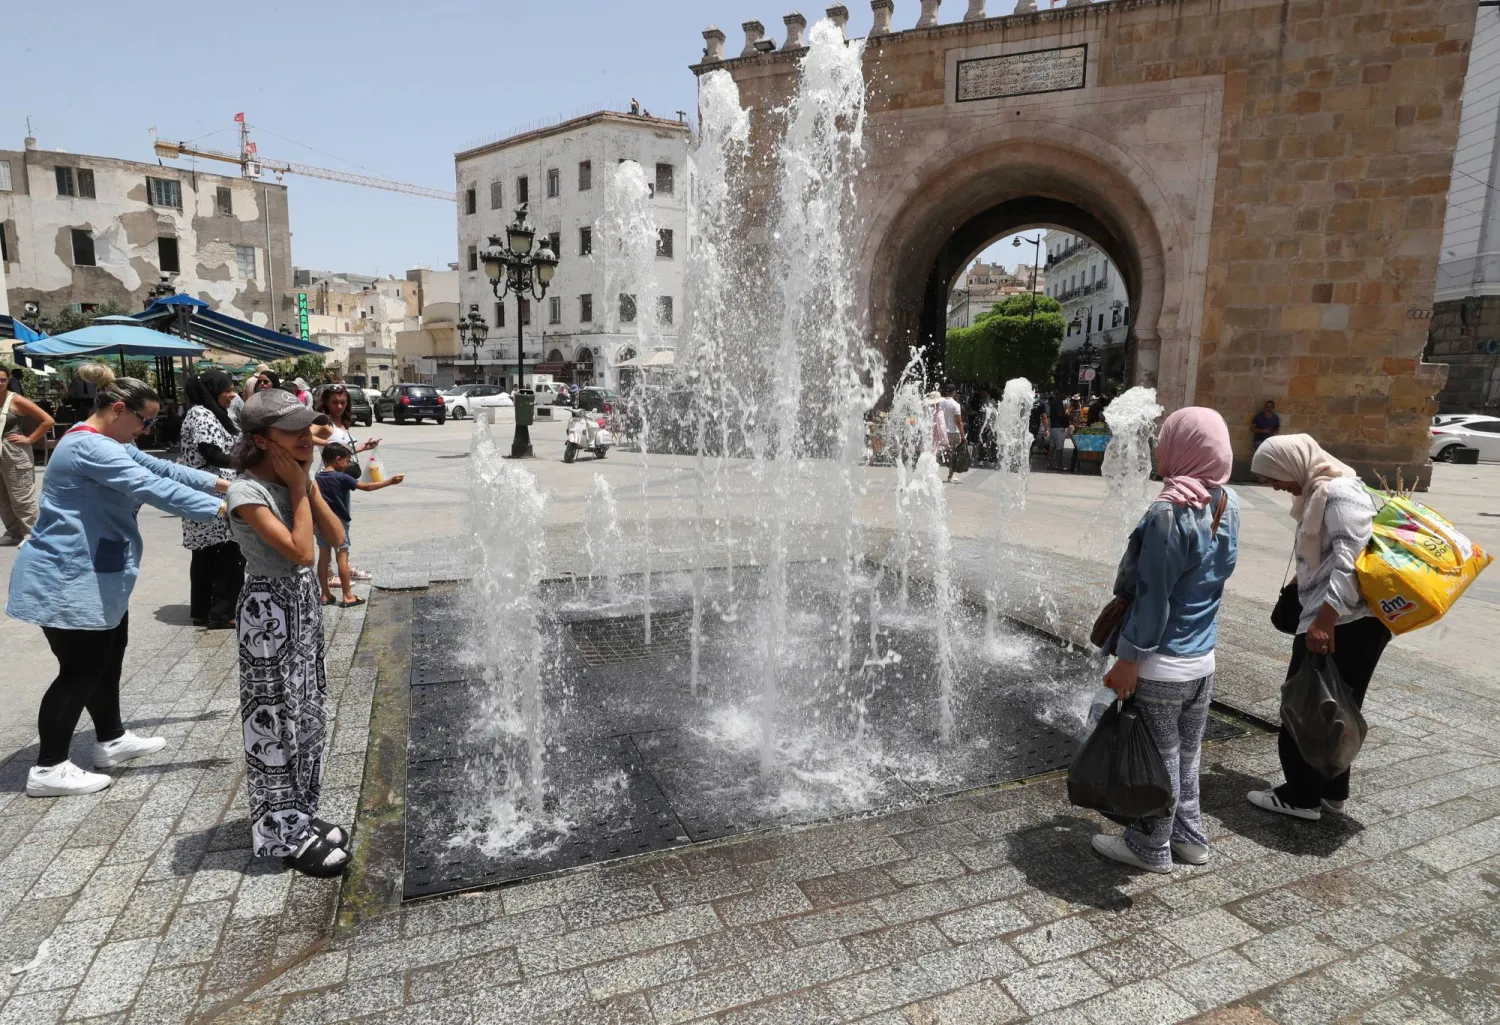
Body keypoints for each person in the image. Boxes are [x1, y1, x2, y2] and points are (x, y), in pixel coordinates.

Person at [8, 378, 228, 797]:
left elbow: (162, 468)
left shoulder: (110, 442)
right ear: (117, 410)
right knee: (81, 669)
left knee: (108, 659)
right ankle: (49, 767)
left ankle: (110, 738)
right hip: (69, 575)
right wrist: (228, 509)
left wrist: (223, 486)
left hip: (101, 569)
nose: (146, 430)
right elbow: (151, 487)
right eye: (143, 421)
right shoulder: (89, 446)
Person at [1093, 407, 1239, 873]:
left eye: (1166, 438)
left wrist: (1129, 660)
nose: (1159, 445)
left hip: (1161, 662)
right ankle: (1191, 839)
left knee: (1159, 757)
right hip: (1202, 660)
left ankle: (1149, 846)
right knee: (1186, 754)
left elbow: (1154, 599)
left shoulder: (1169, 511)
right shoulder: (1225, 502)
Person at [225, 389, 351, 876]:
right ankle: (282, 833)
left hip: (300, 607)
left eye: (308, 427)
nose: (306, 436)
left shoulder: (299, 479)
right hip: (268, 613)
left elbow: (335, 538)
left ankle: (300, 813)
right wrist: (299, 490)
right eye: (292, 430)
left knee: (308, 714)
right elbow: (301, 552)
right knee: (274, 721)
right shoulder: (247, 493)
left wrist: (308, 487)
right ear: (260, 439)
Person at [1247, 435, 1389, 821]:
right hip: (1351, 620)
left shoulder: (1339, 492)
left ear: (1293, 463)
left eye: (1273, 476)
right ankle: (1331, 791)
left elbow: (1350, 558)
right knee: (1337, 707)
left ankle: (1301, 796)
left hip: (1344, 620)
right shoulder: (1323, 490)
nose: (1275, 485)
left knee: (1304, 706)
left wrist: (1324, 620)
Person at [179, 372, 245, 628]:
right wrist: (244, 463)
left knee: (207, 553)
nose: (232, 394)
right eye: (227, 390)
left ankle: (203, 611)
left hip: (206, 491)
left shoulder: (207, 412)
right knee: (228, 552)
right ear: (211, 390)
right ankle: (223, 612)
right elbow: (211, 452)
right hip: (212, 492)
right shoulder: (202, 414)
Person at [316, 443, 403, 607]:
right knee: (342, 555)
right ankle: (348, 596)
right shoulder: (342, 477)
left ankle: (325, 595)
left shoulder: (318, 478)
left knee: (323, 557)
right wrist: (390, 481)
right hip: (338, 523)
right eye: (347, 461)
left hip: (321, 521)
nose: (348, 465)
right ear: (338, 459)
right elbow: (367, 487)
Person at [313, 385, 382, 583]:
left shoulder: (341, 422)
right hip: (327, 482)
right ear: (326, 402)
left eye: (343, 402)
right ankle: (328, 574)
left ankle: (345, 566)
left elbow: (343, 453)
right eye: (335, 402)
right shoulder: (325, 422)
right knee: (329, 528)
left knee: (343, 524)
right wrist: (329, 445)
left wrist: (363, 447)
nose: (340, 406)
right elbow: (306, 436)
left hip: (340, 481)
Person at [0, 366, 55, 545]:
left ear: (8, 381)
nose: (0, 383)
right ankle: (13, 532)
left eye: (2, 379)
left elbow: (48, 420)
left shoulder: (16, 400)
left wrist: (30, 439)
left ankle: (32, 532)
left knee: (21, 494)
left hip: (14, 452)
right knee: (2, 497)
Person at [937, 383, 965, 482]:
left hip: (941, 431)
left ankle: (933, 474)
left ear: (945, 391)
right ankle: (950, 476)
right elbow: (959, 421)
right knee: (953, 455)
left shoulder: (939, 402)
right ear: (954, 392)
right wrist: (963, 435)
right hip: (953, 432)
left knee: (939, 452)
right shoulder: (956, 405)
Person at [1047, 390, 1070, 470]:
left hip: (1053, 427)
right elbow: (1060, 415)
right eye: (1066, 395)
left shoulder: (1054, 401)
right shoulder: (1058, 402)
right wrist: (1067, 415)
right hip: (1059, 428)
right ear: (1062, 393)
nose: (1066, 397)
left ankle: (1049, 464)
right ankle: (1060, 466)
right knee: (1059, 449)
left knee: (1052, 447)